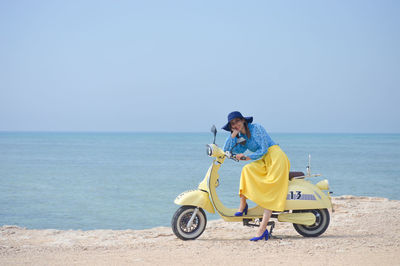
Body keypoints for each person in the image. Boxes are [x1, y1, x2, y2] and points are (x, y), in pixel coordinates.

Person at [222, 111, 290, 241]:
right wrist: (232, 136)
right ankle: (243, 204)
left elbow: (264, 149)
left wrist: (248, 157)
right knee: (247, 170)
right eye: (232, 124)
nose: (235, 124)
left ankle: (262, 230)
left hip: (276, 157)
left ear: (243, 120)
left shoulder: (256, 128)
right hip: (263, 160)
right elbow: (228, 151)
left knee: (271, 189)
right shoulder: (241, 137)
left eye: (237, 121)